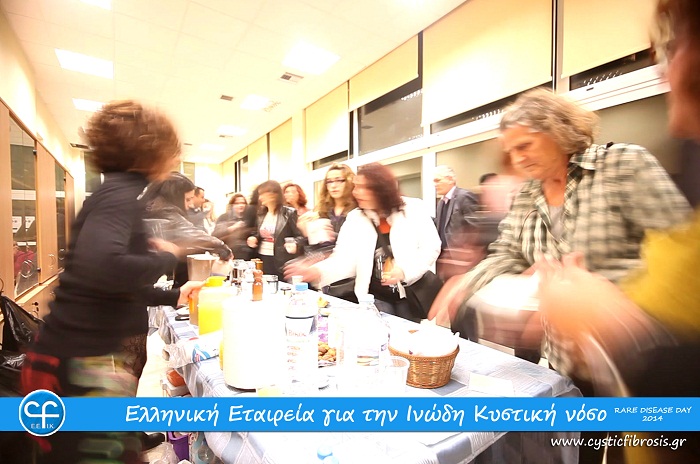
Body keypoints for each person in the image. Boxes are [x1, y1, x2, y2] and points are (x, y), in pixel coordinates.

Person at [428, 88, 690, 463]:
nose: (518, 158)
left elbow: (681, 258)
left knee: (639, 448)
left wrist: (595, 292)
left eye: (525, 145)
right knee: (581, 446)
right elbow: (508, 252)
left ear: (558, 130)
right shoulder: (528, 194)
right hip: (563, 354)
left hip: (631, 351)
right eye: (511, 150)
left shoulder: (622, 166)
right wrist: (466, 283)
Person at [537, 0, 700, 461]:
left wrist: (614, 322)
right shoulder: (532, 193)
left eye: (675, 46)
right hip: (573, 356)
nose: (664, 70)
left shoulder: (624, 164)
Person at [20, 100, 203, 464]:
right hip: (77, 363)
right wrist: (167, 255)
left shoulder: (115, 192)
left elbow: (110, 283)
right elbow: (103, 267)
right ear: (151, 149)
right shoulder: (121, 196)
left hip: (73, 356)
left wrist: (173, 295)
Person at [285, 162, 441, 320]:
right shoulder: (356, 218)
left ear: (381, 189)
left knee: (405, 333)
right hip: (373, 298)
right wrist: (316, 271)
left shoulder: (413, 209)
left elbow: (431, 247)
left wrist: (404, 272)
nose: (356, 192)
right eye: (355, 186)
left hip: (408, 295)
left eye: (363, 187)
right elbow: (344, 259)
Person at [142, 173, 232, 288]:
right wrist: (223, 248)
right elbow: (194, 235)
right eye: (187, 199)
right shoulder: (166, 213)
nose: (190, 205)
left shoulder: (148, 208)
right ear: (175, 197)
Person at [297, 163, 359, 301]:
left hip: (349, 280)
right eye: (329, 182)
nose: (333, 186)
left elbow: (353, 249)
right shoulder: (321, 211)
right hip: (324, 278)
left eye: (339, 180)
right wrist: (306, 234)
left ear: (349, 182)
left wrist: (333, 237)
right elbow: (314, 248)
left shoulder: (357, 211)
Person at [247, 180, 304, 278]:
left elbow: (300, 236)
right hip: (262, 257)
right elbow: (258, 233)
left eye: (262, 194)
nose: (260, 198)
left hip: (280, 259)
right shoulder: (261, 213)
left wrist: (295, 243)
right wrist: (254, 238)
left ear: (273, 194)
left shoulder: (289, 213)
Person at [432, 165, 480, 281]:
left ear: (450, 179)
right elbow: (441, 226)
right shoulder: (441, 203)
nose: (435, 185)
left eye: (438, 180)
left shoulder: (464, 197)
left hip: (462, 260)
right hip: (445, 260)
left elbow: (476, 228)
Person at [212, 193, 257, 261]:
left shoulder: (251, 218)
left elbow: (255, 232)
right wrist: (233, 228)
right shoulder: (224, 217)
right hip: (228, 253)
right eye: (237, 203)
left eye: (243, 203)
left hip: (247, 255)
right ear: (232, 205)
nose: (240, 205)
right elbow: (215, 234)